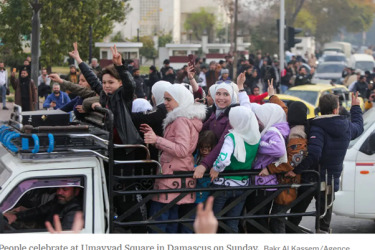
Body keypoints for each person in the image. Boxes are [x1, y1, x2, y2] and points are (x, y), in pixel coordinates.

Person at [287, 92, 364, 233]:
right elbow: (359, 127)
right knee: (323, 224)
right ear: (336, 109)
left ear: (320, 109)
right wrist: (355, 107)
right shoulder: (347, 126)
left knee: (294, 218)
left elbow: (314, 154)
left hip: (311, 178)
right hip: (330, 180)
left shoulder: (316, 126)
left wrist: (296, 170)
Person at [141, 84, 206, 233]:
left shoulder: (180, 120)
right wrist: (155, 138)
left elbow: (182, 149)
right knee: (171, 221)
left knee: (160, 221)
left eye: (169, 99)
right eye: (164, 99)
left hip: (172, 177)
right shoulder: (184, 119)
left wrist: (157, 140)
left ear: (180, 99)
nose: (165, 102)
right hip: (177, 176)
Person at [237, 75, 290, 233]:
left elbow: (279, 150)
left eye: (261, 117)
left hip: (265, 184)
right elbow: (248, 109)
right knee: (256, 219)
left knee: (257, 221)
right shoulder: (274, 128)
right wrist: (241, 90)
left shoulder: (273, 131)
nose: (258, 121)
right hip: (262, 182)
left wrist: (257, 143)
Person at [210, 106, 260, 233]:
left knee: (212, 220)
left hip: (223, 184)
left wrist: (215, 168)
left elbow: (223, 159)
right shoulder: (255, 138)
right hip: (242, 184)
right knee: (232, 222)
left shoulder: (231, 137)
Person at [193, 84, 237, 179]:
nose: (221, 98)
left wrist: (204, 165)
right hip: (211, 164)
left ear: (232, 96)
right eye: (218, 94)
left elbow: (222, 143)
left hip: (221, 169)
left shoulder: (232, 117)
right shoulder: (216, 112)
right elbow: (199, 130)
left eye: (226, 94)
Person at [4, 187, 83, 230]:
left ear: (76, 191)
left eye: (65, 189)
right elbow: (41, 210)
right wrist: (16, 216)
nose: (59, 192)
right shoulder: (60, 200)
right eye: (58, 188)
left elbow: (62, 238)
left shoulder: (75, 211)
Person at [194, 131, 218, 204]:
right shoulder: (197, 156)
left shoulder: (215, 162)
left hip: (203, 197)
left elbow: (206, 183)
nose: (204, 150)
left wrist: (194, 168)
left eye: (208, 147)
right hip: (193, 195)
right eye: (202, 147)